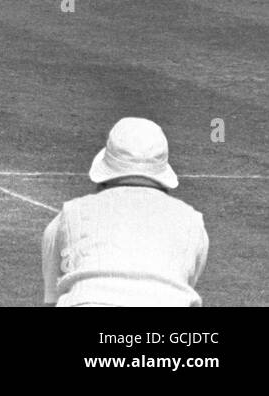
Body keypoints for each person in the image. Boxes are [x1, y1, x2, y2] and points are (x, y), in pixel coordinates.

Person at [42, 117, 209, 306]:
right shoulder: (193, 223)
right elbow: (180, 287)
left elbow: (51, 301)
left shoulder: (67, 217)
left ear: (104, 174)